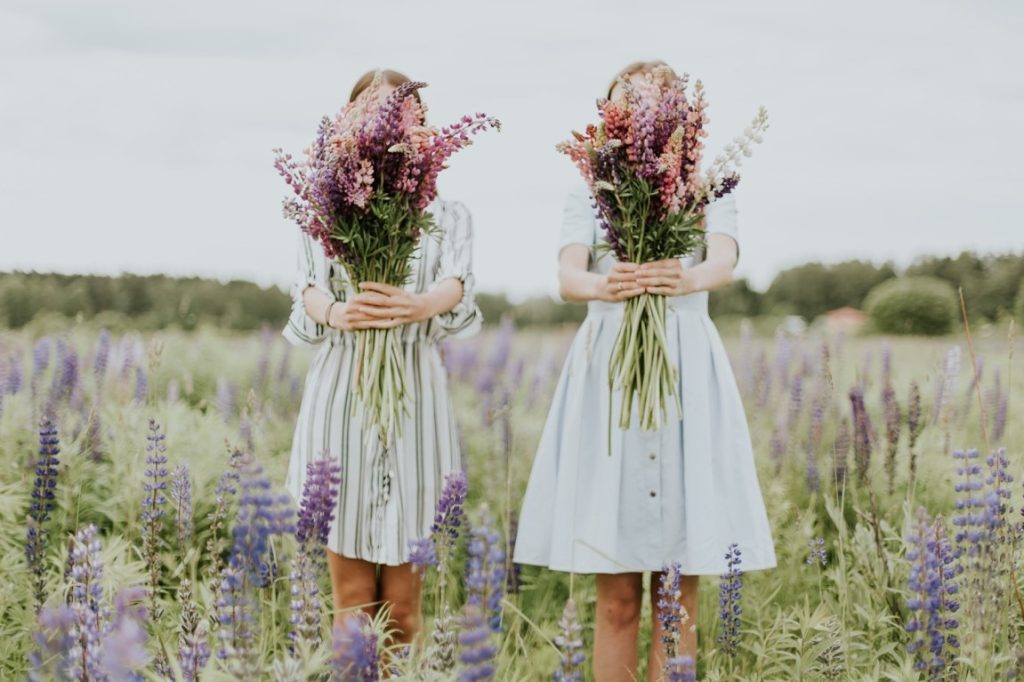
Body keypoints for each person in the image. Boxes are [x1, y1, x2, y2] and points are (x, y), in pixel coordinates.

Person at [514, 60, 777, 681]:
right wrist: (608, 286)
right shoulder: (589, 187)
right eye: (627, 100)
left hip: (686, 363)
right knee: (618, 595)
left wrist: (681, 277)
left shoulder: (708, 181)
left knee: (679, 591)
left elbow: (725, 259)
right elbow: (568, 276)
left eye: (655, 99)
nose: (641, 110)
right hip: (611, 367)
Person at [282, 68, 481, 646]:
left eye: (404, 114)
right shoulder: (325, 210)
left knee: (404, 608)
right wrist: (337, 314)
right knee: (351, 604)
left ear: (421, 128)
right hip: (341, 395)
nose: (389, 123)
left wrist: (417, 305)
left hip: (415, 398)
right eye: (372, 112)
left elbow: (458, 285)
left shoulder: (449, 213)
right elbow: (307, 288)